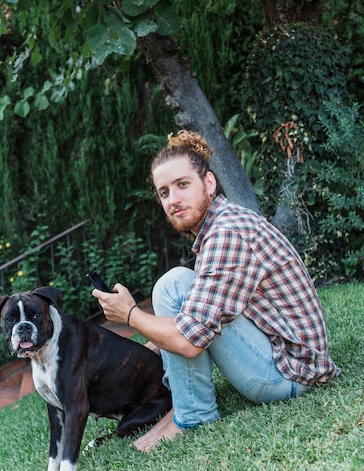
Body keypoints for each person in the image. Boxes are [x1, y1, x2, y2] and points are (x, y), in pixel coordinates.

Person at [92, 130, 340, 452]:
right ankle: (182, 408)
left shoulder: (226, 233)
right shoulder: (220, 224)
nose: (173, 199)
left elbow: (189, 340)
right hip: (289, 358)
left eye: (183, 185)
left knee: (172, 285)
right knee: (180, 287)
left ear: (208, 183)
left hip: (289, 374)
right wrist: (139, 353)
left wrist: (129, 315)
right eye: (164, 192)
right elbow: (205, 308)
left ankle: (192, 414)